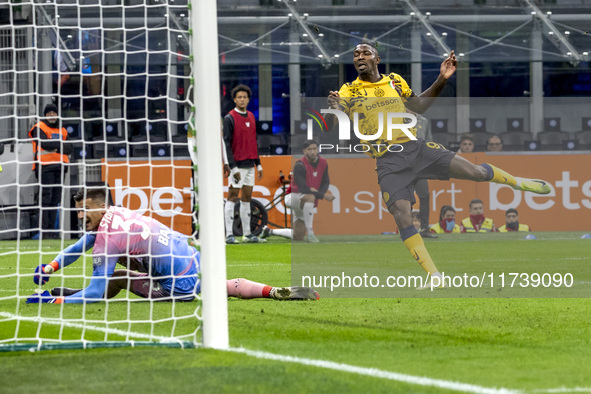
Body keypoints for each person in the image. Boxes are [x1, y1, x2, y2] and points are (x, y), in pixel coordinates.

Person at [327, 41, 550, 288]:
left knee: (474, 172)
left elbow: (419, 106)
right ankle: (435, 277)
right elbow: (337, 125)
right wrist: (335, 109)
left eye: (365, 53)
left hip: (417, 148)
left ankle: (519, 183)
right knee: (402, 215)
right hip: (388, 161)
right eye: (356, 54)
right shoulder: (348, 90)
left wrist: (442, 79)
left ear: (376, 59)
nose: (360, 57)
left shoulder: (394, 81)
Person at [27, 187, 319, 304]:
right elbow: (79, 247)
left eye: (84, 209)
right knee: (220, 285)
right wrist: (52, 265)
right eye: (78, 210)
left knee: (117, 274)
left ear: (101, 207)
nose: (80, 216)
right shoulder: (117, 214)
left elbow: (93, 292)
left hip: (177, 287)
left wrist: (52, 300)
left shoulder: (108, 239)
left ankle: (67, 294)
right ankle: (270, 290)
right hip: (194, 259)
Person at [223, 84, 264, 244]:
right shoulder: (229, 118)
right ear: (234, 99)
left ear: (248, 99)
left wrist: (258, 164)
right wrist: (232, 167)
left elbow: (253, 141)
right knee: (232, 197)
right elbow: (226, 143)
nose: (242, 99)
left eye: (244, 97)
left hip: (250, 165)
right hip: (237, 166)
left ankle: (247, 234)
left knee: (247, 198)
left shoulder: (252, 117)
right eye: (239, 97)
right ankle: (229, 235)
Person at [28, 103, 72, 239]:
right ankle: (44, 231)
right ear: (45, 115)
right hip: (45, 167)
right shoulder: (39, 127)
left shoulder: (63, 130)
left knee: (55, 200)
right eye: (49, 113)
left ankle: (51, 231)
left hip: (60, 168)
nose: (52, 116)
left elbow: (70, 148)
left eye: (54, 113)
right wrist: (60, 146)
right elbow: (44, 143)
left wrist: (55, 147)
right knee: (45, 199)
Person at [289, 139, 335, 242]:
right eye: (309, 149)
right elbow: (303, 189)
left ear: (318, 149)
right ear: (304, 151)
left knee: (298, 236)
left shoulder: (323, 162)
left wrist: (319, 192)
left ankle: (270, 231)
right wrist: (324, 196)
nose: (313, 151)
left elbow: (325, 182)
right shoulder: (299, 165)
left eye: (314, 149)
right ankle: (310, 234)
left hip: (306, 201)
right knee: (310, 196)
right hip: (293, 197)